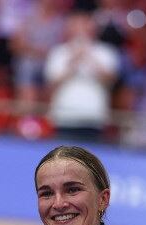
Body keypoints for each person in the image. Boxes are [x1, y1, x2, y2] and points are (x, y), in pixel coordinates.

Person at [44, 11, 120, 141]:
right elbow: (52, 83)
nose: (81, 29)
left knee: (89, 161)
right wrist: (73, 62)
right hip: (64, 117)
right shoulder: (58, 52)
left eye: (85, 24)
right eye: (76, 25)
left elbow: (111, 80)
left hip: (94, 118)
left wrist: (89, 56)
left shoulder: (106, 52)